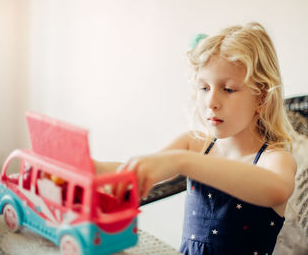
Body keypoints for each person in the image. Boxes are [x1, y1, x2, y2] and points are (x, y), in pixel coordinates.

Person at [95, 22, 297, 255]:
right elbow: (134, 172)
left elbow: (277, 190)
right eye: (204, 87)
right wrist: (94, 167)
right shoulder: (194, 143)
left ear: (261, 99)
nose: (211, 101)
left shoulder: (275, 159)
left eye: (229, 89)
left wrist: (183, 161)